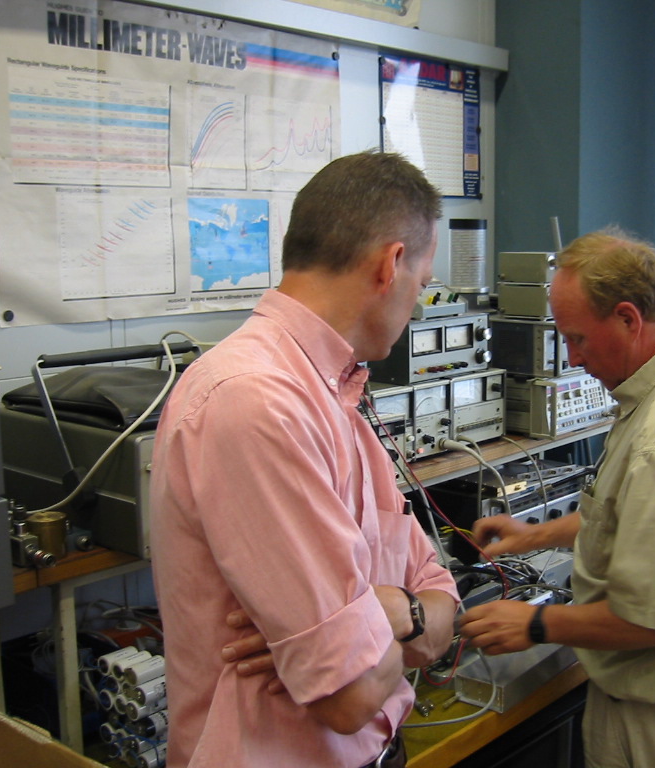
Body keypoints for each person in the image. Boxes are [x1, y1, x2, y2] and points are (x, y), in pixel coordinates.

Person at [149, 150, 460, 768]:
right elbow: (349, 696)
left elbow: (442, 602)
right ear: (391, 264)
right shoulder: (255, 402)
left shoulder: (335, 395)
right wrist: (401, 621)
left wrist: (394, 611)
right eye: (422, 285)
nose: (417, 305)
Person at [458, 228, 655, 768]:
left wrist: (534, 624)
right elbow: (634, 517)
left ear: (629, 318)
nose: (572, 358)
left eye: (578, 339)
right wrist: (533, 535)